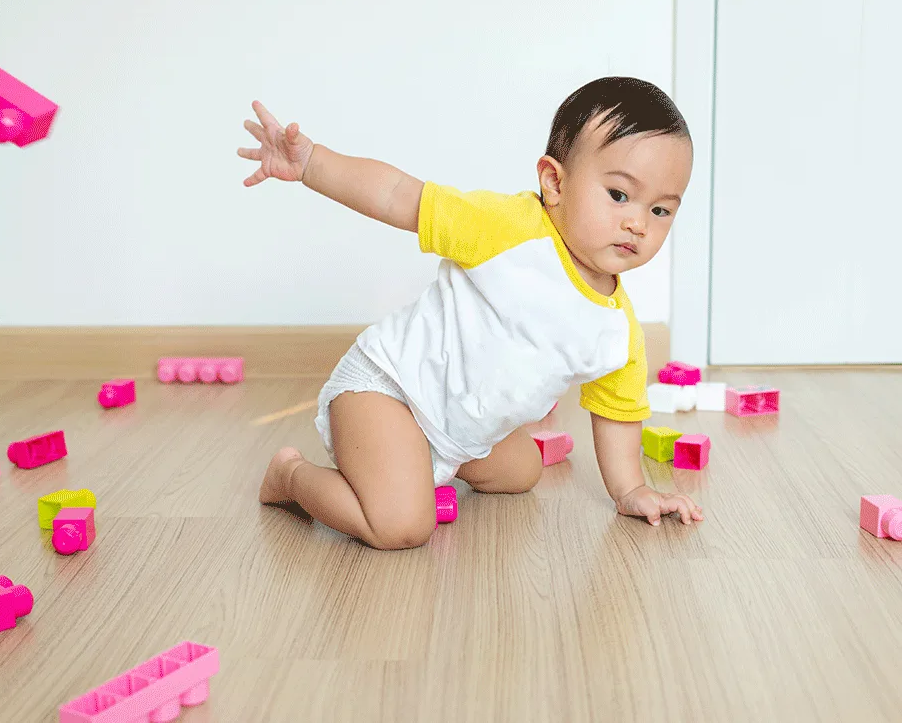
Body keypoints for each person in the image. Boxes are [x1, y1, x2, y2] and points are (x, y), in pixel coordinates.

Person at [242, 76, 704, 549]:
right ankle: (292, 477)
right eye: (620, 195)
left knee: (523, 472)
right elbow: (397, 194)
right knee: (402, 526)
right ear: (554, 182)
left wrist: (631, 490)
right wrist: (312, 163)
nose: (637, 223)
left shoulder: (618, 332)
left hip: (457, 431)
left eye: (661, 210)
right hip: (388, 390)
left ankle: (426, 464)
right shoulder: (507, 230)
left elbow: (618, 414)